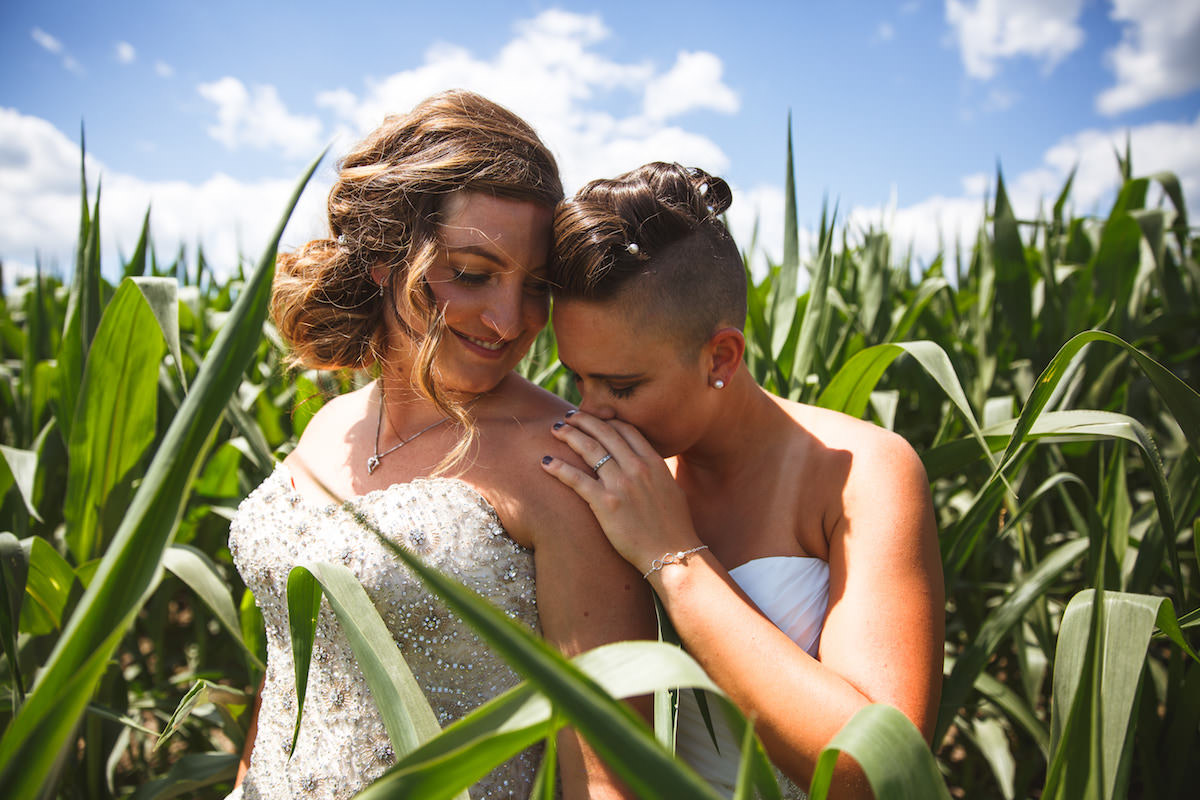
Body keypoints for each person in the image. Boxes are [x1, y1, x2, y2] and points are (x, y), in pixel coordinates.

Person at [227, 90, 654, 800]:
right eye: (475, 274)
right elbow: (297, 662)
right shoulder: (326, 426)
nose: (510, 320)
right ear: (384, 260)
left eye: (535, 286)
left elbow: (605, 776)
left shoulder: (564, 464)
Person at [541, 162, 944, 798]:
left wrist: (672, 558)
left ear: (721, 357)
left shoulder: (861, 473)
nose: (589, 413)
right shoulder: (604, 477)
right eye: (577, 378)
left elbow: (877, 770)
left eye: (622, 386)